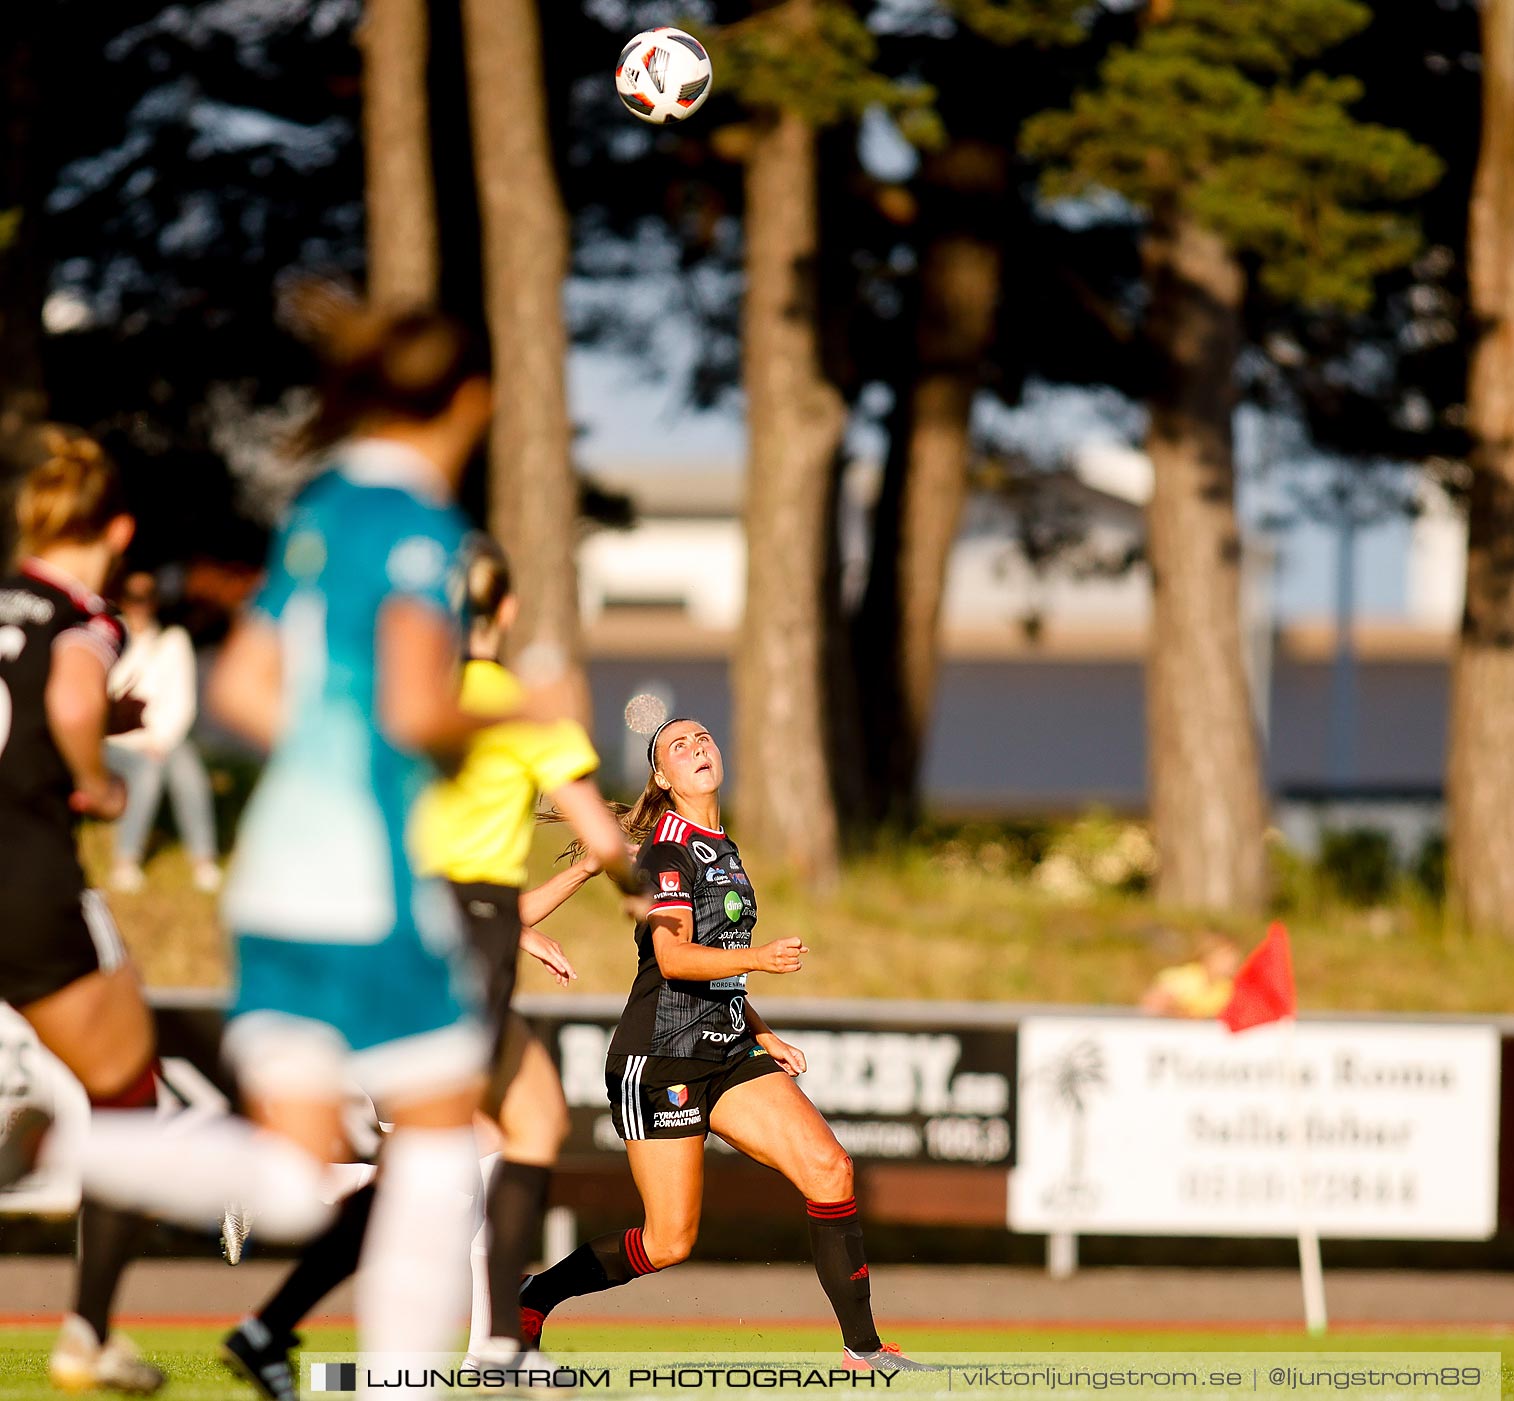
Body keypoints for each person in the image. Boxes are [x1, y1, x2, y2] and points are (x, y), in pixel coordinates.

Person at [0, 303, 554, 1371]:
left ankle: (79, 1143)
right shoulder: (420, 527)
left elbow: (245, 692)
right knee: (439, 1152)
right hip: (366, 880)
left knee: (303, 1176)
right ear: (474, 400)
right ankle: (400, 1391)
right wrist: (519, 706)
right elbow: (413, 714)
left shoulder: (321, 507)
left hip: (272, 880)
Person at [221, 535, 652, 1396]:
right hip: (474, 925)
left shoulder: (404, 697)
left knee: (515, 1120)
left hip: (407, 920)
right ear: (509, 610)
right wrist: (637, 893)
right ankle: (477, 1348)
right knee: (455, 1149)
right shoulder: (521, 705)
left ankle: (303, 1324)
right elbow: (604, 836)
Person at [515, 717, 929, 1372]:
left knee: (830, 1168)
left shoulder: (722, 847)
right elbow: (674, 958)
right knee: (669, 1239)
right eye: (677, 745)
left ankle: (864, 1351)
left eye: (704, 737)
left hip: (730, 1050)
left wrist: (759, 1027)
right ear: (660, 776)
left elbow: (720, 958)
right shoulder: (667, 851)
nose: (697, 747)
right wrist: (761, 958)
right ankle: (538, 1293)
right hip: (661, 1059)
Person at [0, 428, 168, 1392]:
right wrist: (97, 777)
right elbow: (64, 695)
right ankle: (87, 1334)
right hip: (21, 878)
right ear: (117, 529)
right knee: (131, 1096)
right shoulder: (85, 613)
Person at [105, 570, 220, 894]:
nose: (140, 606)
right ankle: (125, 860)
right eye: (133, 597)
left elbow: (183, 703)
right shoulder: (108, 637)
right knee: (148, 772)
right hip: (115, 741)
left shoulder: (174, 641)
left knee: (188, 771)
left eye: (147, 598)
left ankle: (203, 859)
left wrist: (159, 740)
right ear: (122, 599)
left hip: (162, 739)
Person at [1140, 932, 1241, 1019]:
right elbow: (1150, 1007)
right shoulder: (1182, 978)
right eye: (1225, 957)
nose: (1232, 962)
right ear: (1208, 957)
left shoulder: (1226, 987)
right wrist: (1179, 1013)